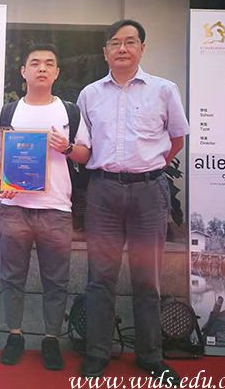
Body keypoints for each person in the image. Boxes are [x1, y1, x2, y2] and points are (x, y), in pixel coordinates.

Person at [77, 20, 189, 384]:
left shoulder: (164, 90)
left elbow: (176, 140)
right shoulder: (89, 94)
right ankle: (97, 353)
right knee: (100, 279)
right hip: (104, 193)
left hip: (148, 194)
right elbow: (84, 146)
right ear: (105, 52)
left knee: (147, 280)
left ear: (142, 48)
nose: (122, 48)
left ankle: (150, 356)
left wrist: (149, 167)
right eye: (115, 43)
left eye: (130, 42)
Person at [0, 44, 91, 369]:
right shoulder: (9, 112)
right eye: (35, 63)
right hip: (15, 208)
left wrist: (67, 147)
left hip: (57, 209)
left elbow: (86, 154)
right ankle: (14, 335)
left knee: (56, 280)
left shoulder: (70, 112)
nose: (42, 68)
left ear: (56, 73)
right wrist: (0, 179)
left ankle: (51, 339)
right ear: (23, 71)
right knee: (13, 277)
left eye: (49, 64)